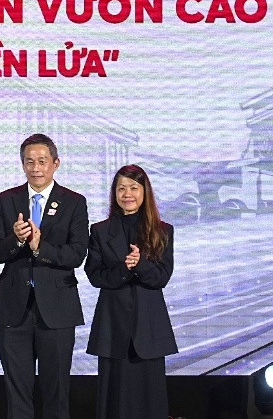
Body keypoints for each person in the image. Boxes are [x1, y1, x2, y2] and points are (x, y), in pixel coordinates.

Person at [0, 134, 89, 419]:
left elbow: (76, 254)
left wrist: (39, 247)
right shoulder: (5, 200)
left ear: (55, 163)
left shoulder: (74, 202)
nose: (35, 168)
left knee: (56, 392)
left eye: (42, 161)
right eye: (29, 161)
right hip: (13, 308)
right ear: (22, 164)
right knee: (17, 393)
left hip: (57, 308)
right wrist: (17, 240)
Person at [85, 165, 177, 419]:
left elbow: (162, 277)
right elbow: (94, 275)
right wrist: (125, 268)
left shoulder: (162, 230)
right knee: (114, 400)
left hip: (149, 326)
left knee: (150, 400)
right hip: (113, 325)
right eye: (121, 188)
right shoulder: (100, 231)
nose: (127, 194)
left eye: (134, 188)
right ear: (114, 193)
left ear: (144, 192)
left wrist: (140, 264)